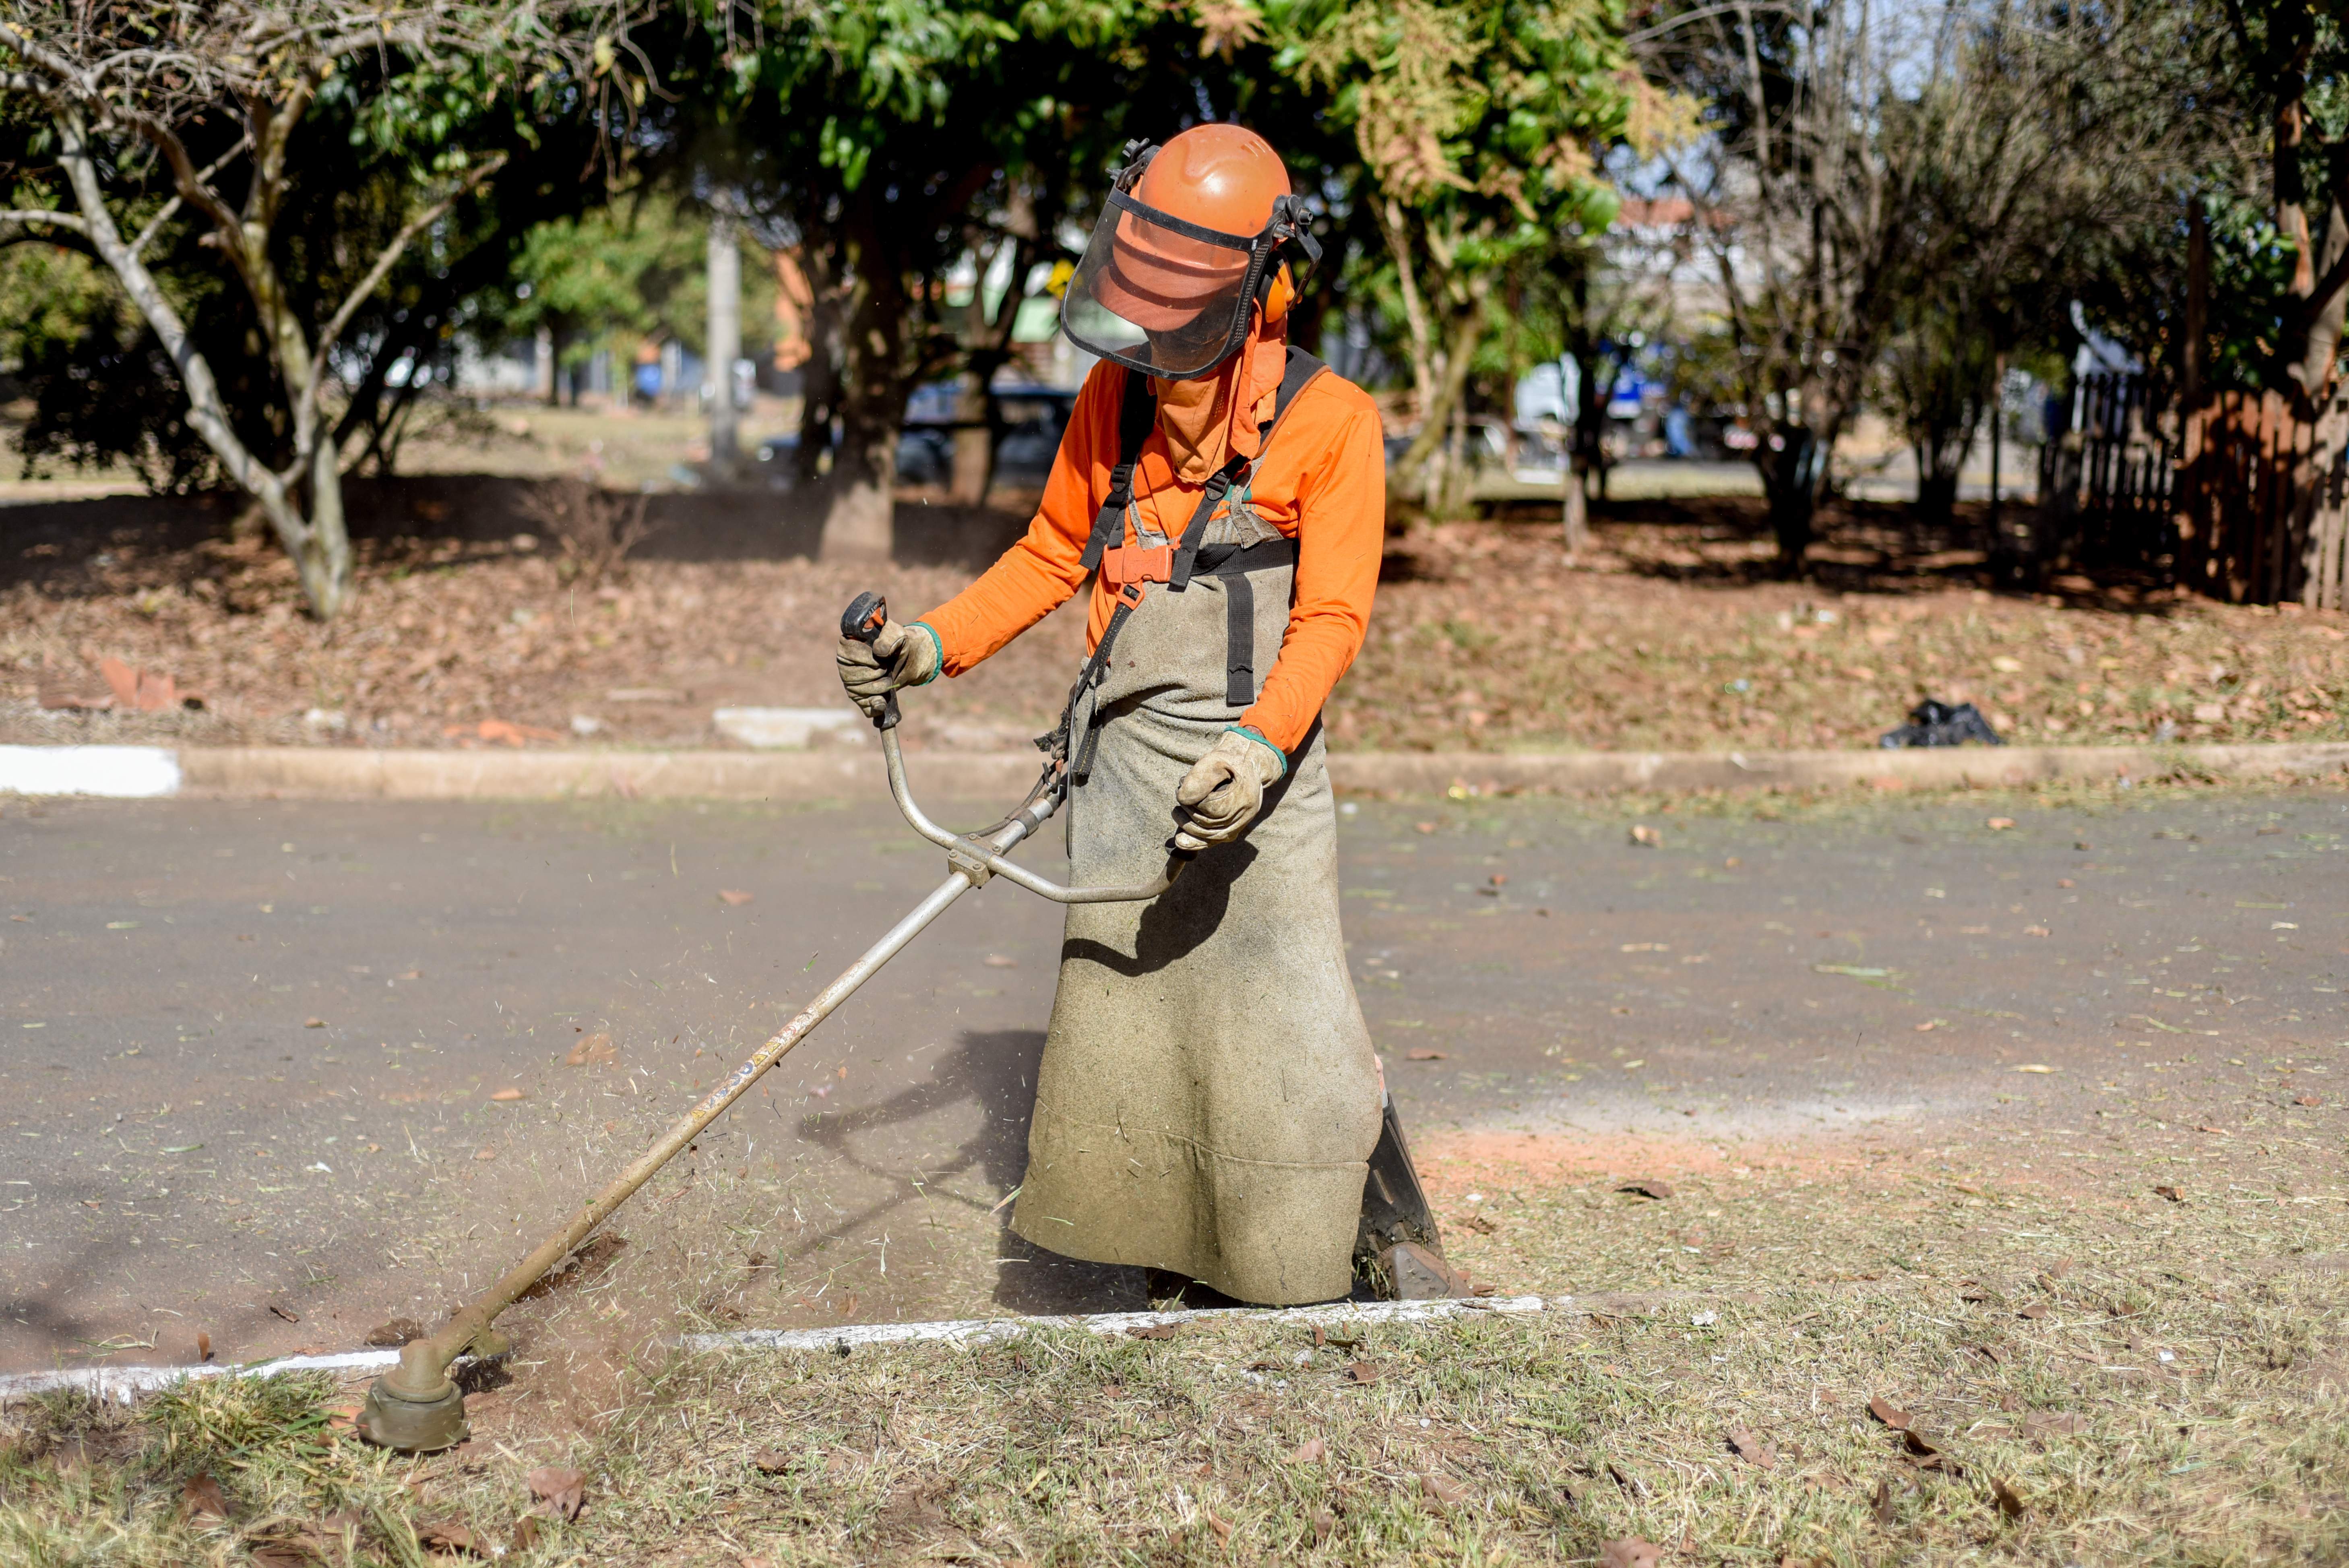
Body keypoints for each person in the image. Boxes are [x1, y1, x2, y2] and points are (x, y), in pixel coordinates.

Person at [836, 124, 1445, 1306]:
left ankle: (1351, 1239)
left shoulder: (1332, 424)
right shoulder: (1113, 399)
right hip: (1120, 762)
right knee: (1133, 1021)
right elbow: (1052, 553)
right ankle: (1148, 1252)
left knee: (1289, 1013)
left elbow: (1330, 618)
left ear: (1264, 293)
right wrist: (931, 646)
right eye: (1144, 313)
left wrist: (1260, 746)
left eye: (1185, 322)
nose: (1157, 350)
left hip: (1252, 771)